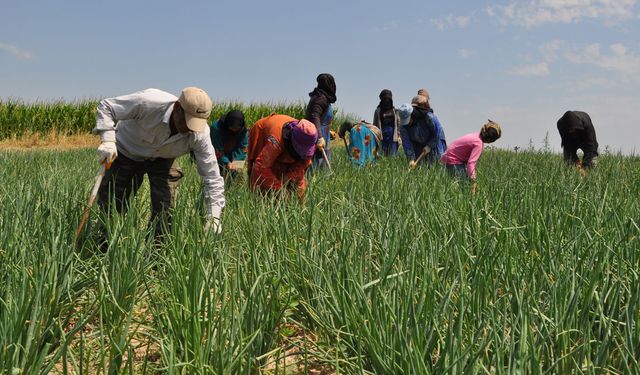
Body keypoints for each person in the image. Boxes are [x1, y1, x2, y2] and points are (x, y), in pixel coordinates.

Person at [93, 87, 225, 241]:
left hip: (164, 159)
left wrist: (214, 217)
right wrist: (108, 140)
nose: (190, 128)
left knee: (165, 208)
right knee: (112, 202)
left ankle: (157, 251)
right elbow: (107, 107)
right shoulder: (148, 102)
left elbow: (212, 177)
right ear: (177, 108)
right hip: (128, 152)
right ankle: (106, 244)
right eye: (187, 121)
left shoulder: (200, 134)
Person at [247, 114, 317, 201]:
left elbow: (300, 172)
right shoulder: (276, 141)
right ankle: (259, 201)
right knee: (260, 179)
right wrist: (280, 190)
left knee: (289, 182)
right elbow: (261, 167)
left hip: (283, 140)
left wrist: (300, 199)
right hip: (262, 132)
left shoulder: (308, 141)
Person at [440, 120, 502, 193]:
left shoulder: (475, 136)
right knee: (464, 187)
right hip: (453, 161)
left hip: (446, 158)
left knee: (455, 184)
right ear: (489, 140)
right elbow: (471, 163)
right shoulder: (479, 144)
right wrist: (473, 181)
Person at [399, 95, 447, 168]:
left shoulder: (429, 117)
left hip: (435, 143)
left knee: (436, 166)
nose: (408, 123)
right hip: (418, 145)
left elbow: (438, 132)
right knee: (421, 167)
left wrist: (429, 145)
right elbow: (406, 142)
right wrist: (411, 159)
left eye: (408, 120)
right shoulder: (403, 126)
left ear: (412, 115)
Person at [305, 73, 336, 169]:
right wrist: (319, 137)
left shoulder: (321, 97)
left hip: (323, 135)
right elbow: (314, 116)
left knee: (322, 167)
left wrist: (328, 131)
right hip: (317, 138)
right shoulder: (321, 98)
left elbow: (321, 119)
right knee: (316, 167)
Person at [209, 109, 248, 178]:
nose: (234, 131)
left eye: (237, 130)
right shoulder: (216, 128)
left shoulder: (243, 129)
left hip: (232, 156)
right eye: (232, 129)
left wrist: (236, 162)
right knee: (217, 175)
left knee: (235, 176)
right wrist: (226, 162)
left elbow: (243, 147)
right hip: (216, 157)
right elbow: (217, 149)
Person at [372, 89, 400, 156]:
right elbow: (375, 124)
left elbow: (399, 123)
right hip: (381, 134)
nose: (387, 101)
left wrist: (398, 133)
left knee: (393, 154)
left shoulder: (395, 111)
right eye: (385, 99)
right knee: (382, 153)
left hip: (393, 135)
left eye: (388, 99)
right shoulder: (378, 111)